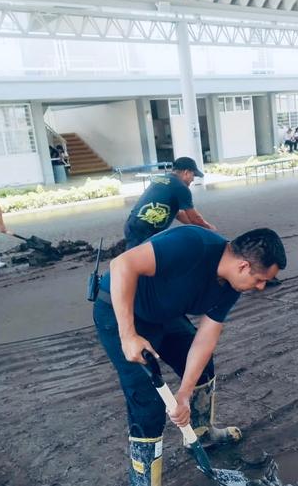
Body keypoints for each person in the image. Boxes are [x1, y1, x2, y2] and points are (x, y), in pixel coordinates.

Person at [93, 226, 286, 486]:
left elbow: (206, 338)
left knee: (202, 368)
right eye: (261, 279)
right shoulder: (191, 245)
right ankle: (144, 480)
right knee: (147, 405)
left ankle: (201, 434)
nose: (262, 287)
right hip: (120, 311)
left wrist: (184, 394)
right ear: (242, 266)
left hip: (165, 314)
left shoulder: (231, 286)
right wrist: (128, 335)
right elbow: (122, 264)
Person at [123, 157, 215, 249]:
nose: (193, 179)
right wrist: (209, 229)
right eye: (193, 175)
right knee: (138, 261)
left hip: (132, 225)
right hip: (145, 231)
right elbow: (195, 218)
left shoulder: (160, 179)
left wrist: (197, 228)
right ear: (186, 172)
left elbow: (178, 214)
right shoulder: (181, 187)